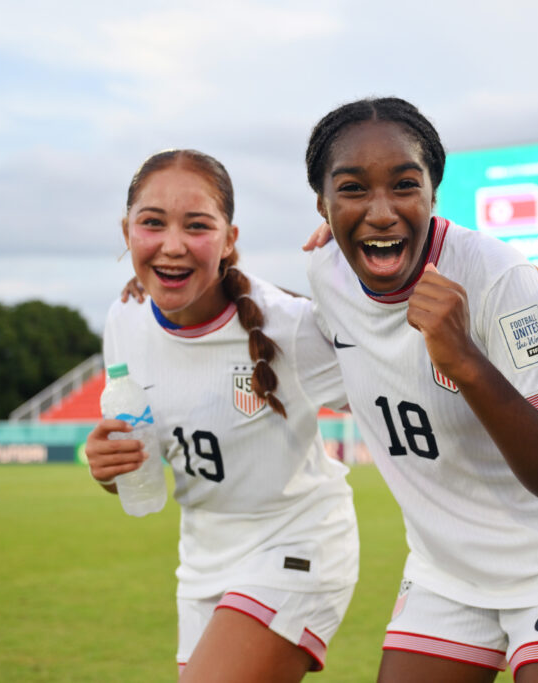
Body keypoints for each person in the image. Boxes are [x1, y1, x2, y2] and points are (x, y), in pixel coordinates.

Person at [304, 97, 538, 682]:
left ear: (432, 193)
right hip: (444, 571)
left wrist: (467, 361)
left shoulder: (497, 277)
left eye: (405, 184)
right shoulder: (323, 275)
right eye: (352, 189)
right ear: (322, 204)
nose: (381, 211)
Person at [85, 149, 360, 682]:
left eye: (196, 226)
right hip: (202, 562)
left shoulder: (287, 325)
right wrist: (109, 470)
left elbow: (392, 380)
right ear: (126, 231)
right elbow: (139, 470)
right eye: (152, 223)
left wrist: (358, 277)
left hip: (296, 544)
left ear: (230, 238)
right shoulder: (123, 320)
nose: (172, 245)